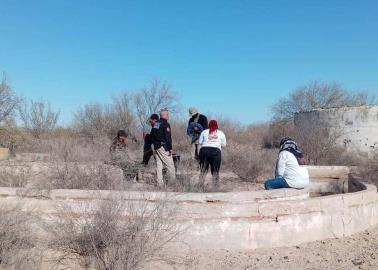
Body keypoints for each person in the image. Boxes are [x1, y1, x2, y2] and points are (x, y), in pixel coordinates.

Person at [150, 108, 176, 186]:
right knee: (170, 165)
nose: (168, 116)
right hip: (163, 147)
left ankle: (159, 183)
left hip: (156, 147)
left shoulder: (156, 124)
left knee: (159, 164)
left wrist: (155, 144)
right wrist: (170, 148)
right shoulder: (165, 124)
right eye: (167, 114)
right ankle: (172, 184)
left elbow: (152, 135)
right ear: (163, 115)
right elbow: (168, 137)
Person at [198, 120, 227, 189]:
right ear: (217, 126)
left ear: (209, 125)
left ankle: (200, 186)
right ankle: (216, 187)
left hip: (204, 151)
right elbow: (224, 145)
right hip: (216, 152)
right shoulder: (220, 133)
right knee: (215, 171)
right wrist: (217, 142)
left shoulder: (204, 132)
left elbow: (199, 142)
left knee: (203, 170)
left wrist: (208, 142)